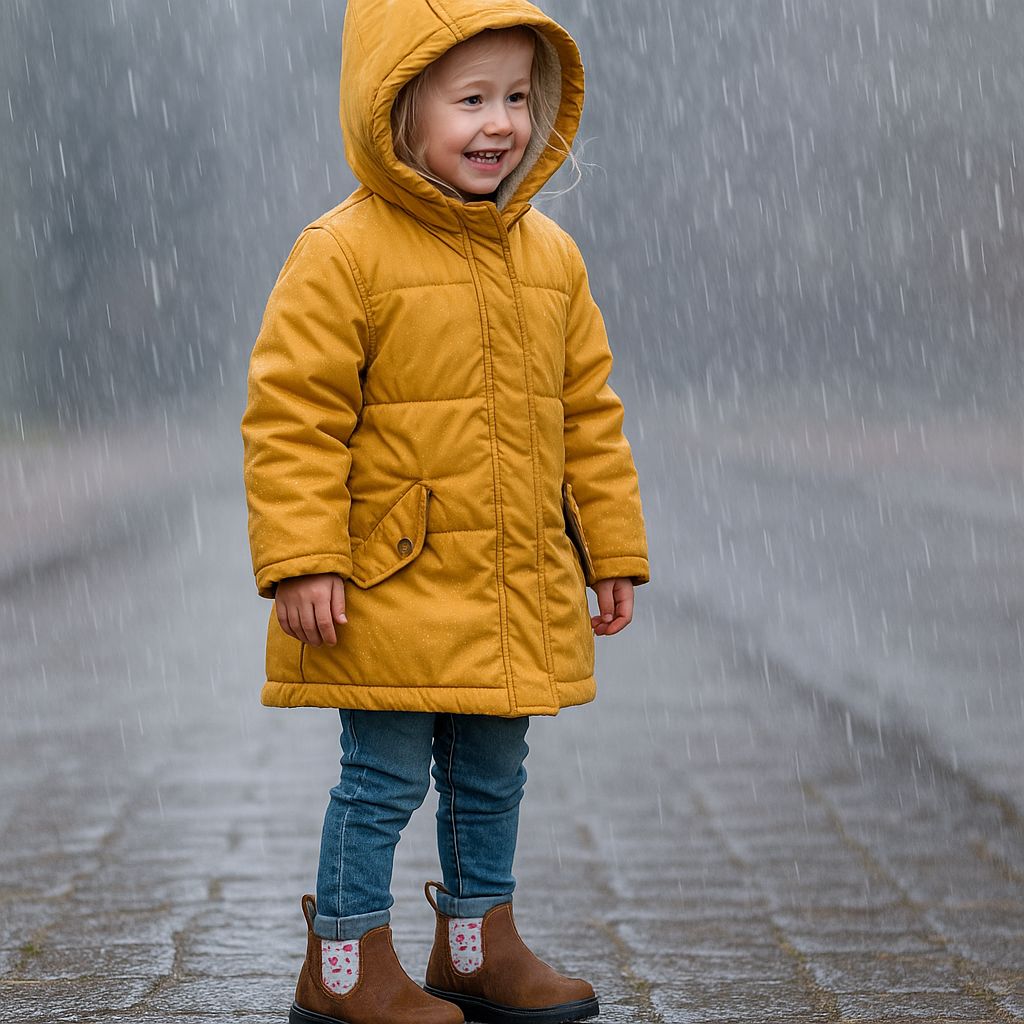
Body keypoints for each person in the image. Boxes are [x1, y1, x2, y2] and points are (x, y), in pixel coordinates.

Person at [241, 0, 649, 1021]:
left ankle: (475, 946)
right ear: (398, 112)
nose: (498, 122)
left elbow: (587, 412)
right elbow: (292, 415)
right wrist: (303, 558)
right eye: (469, 99)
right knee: (379, 780)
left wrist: (611, 547)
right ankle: (343, 966)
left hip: (510, 587)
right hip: (383, 582)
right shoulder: (342, 252)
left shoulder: (549, 257)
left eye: (517, 97)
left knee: (491, 777)